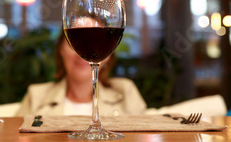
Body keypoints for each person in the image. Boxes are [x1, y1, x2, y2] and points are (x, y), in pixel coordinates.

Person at [16, 31, 146, 116]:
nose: (84, 53)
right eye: (75, 43)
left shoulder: (126, 92)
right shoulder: (36, 96)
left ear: (109, 55)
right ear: (60, 49)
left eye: (96, 42)